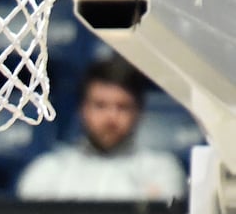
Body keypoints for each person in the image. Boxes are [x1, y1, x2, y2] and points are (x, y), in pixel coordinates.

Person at [16, 55, 186, 201]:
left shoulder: (162, 171)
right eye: (100, 105)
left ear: (139, 112)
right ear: (83, 109)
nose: (111, 117)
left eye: (122, 107)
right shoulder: (48, 171)